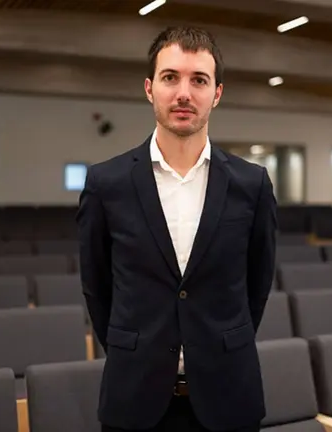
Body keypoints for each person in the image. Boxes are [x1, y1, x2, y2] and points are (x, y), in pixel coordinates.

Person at [77, 26, 277, 432]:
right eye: (170, 77)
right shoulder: (106, 183)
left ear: (216, 93)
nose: (184, 93)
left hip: (228, 396)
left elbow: (257, 285)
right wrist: (135, 350)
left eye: (199, 80)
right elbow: (97, 288)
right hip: (135, 398)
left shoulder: (252, 184)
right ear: (149, 88)